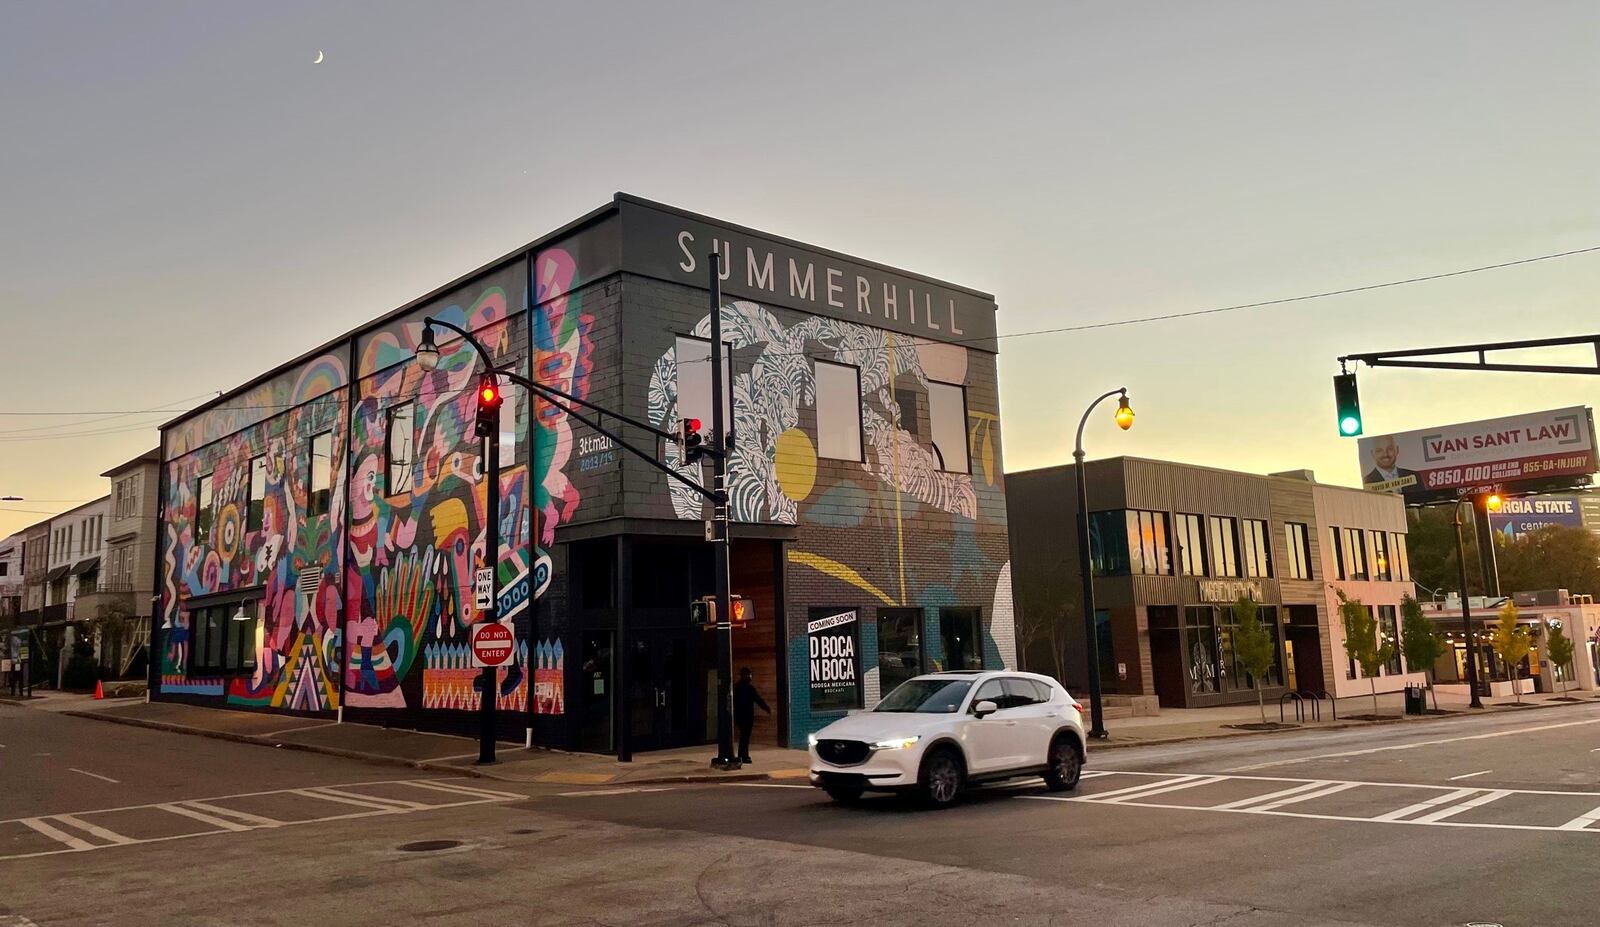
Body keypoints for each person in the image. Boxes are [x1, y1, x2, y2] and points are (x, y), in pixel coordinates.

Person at [733, 666, 771, 764]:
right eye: (749, 675)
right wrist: (767, 708)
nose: (750, 677)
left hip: (740, 716)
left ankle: (742, 755)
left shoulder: (736, 687)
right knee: (745, 737)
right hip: (747, 716)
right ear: (744, 676)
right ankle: (744, 756)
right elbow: (758, 700)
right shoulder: (749, 688)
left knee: (743, 737)